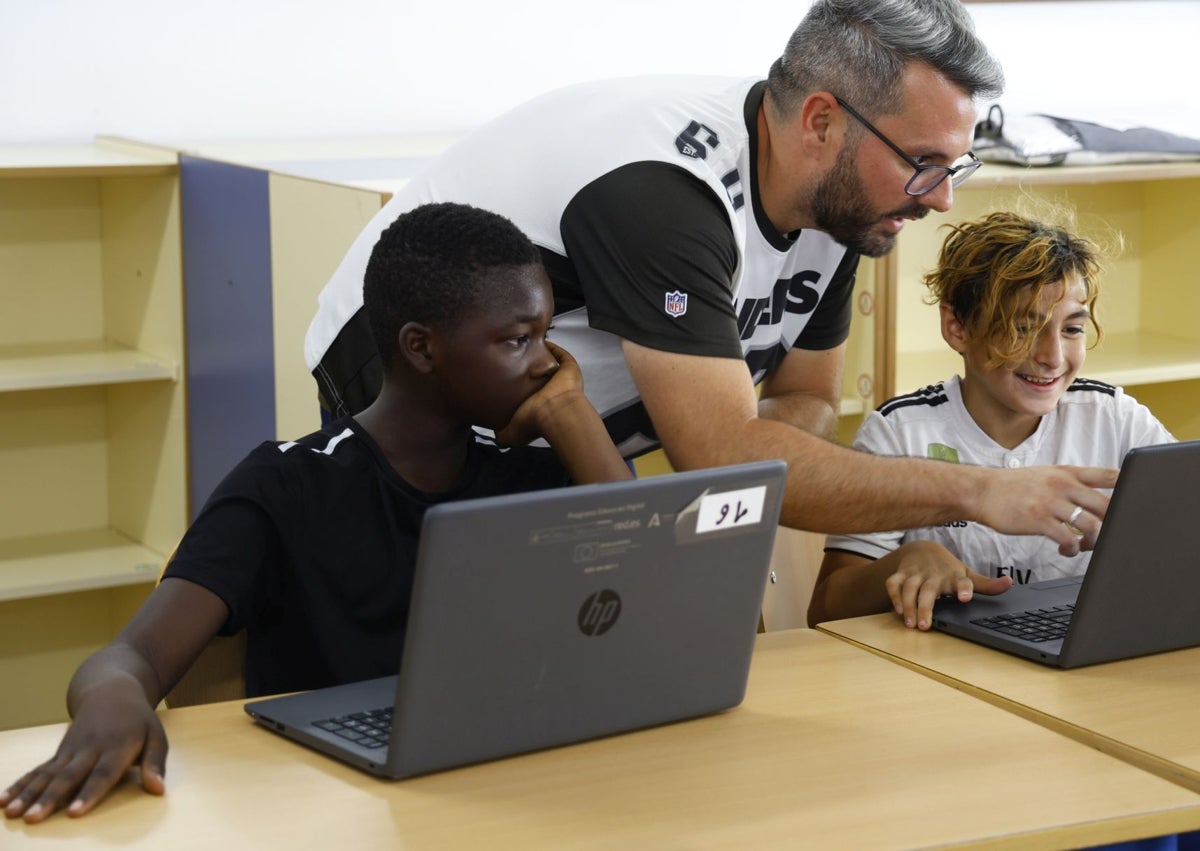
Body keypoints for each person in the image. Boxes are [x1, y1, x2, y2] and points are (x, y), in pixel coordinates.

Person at [304, 0, 1117, 555]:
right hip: (411, 375)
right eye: (923, 163)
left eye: (956, 164)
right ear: (823, 122)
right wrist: (977, 492)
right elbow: (726, 453)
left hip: (572, 421)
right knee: (447, 667)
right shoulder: (665, 193)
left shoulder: (847, 205)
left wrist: (746, 477)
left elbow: (802, 402)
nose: (941, 197)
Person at [1, 202, 631, 823]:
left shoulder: (531, 476)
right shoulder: (288, 486)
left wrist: (572, 417)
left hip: (497, 785)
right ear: (422, 348)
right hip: (322, 805)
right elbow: (130, 656)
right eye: (519, 340)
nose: (549, 363)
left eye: (547, 335)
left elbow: (645, 610)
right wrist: (114, 698)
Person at [807, 209, 1176, 630]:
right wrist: (906, 559)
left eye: (1072, 330)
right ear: (957, 328)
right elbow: (826, 609)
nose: (1052, 357)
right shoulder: (899, 433)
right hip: (941, 671)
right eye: (1022, 328)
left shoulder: (1115, 418)